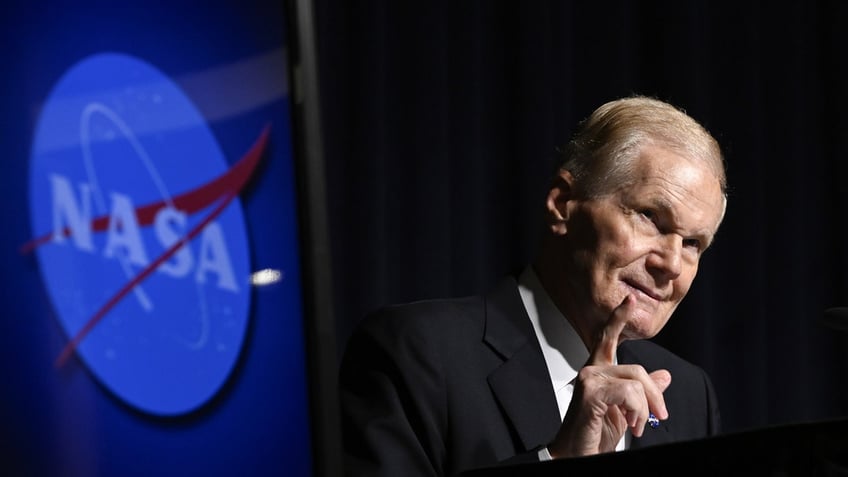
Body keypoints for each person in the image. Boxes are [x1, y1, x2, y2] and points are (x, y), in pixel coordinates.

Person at [339, 95, 727, 477]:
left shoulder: (687, 394)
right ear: (562, 205)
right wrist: (557, 460)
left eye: (693, 243)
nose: (672, 265)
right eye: (649, 216)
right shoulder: (419, 353)